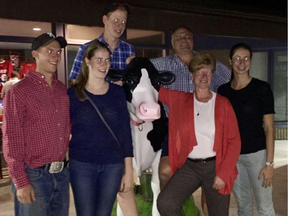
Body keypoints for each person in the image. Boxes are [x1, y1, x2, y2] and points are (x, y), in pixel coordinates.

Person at [156, 53, 241, 216]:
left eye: (208, 72)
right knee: (166, 203)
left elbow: (234, 141)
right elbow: (154, 89)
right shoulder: (180, 99)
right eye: (200, 72)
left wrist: (223, 174)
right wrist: (133, 69)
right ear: (191, 75)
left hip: (216, 167)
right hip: (190, 167)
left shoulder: (223, 103)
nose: (204, 76)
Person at [2, 32, 70, 216]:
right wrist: (21, 181)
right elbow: (12, 140)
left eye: (58, 52)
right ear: (35, 54)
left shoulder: (62, 90)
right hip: (33, 175)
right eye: (49, 50)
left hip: (62, 174)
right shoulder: (19, 92)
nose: (55, 56)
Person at [68, 40, 134, 216]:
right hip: (82, 164)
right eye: (99, 60)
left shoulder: (117, 93)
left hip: (113, 165)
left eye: (107, 60)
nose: (104, 65)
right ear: (87, 61)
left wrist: (129, 171)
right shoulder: (73, 94)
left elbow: (125, 133)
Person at [218, 43, 276, 216]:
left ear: (250, 61)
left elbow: (269, 128)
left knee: (265, 206)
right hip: (233, 157)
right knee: (243, 206)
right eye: (237, 58)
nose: (241, 62)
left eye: (246, 58)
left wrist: (269, 164)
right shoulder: (223, 91)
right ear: (230, 61)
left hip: (257, 156)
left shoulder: (261, 88)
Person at [69, 1, 135, 80]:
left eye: (123, 22)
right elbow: (75, 82)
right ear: (105, 20)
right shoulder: (86, 49)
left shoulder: (130, 50)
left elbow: (134, 81)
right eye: (116, 20)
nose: (120, 25)